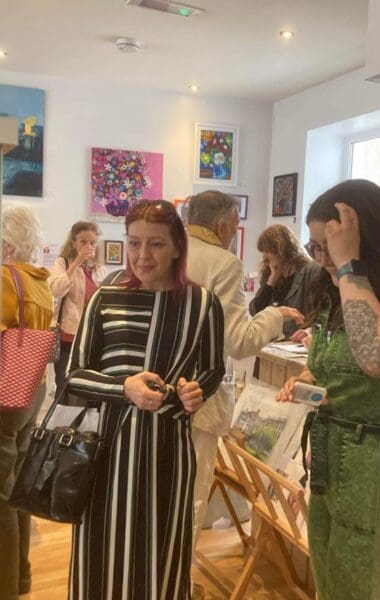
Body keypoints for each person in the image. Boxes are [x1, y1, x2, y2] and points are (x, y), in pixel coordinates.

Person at [277, 179, 380, 599]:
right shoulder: (336, 294)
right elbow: (338, 367)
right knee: (334, 586)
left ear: (363, 240)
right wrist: (310, 382)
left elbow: (377, 357)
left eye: (329, 247)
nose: (322, 259)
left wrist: (349, 266)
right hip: (335, 468)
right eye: (315, 247)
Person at [65, 200, 225, 599]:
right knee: (102, 552)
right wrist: (124, 388)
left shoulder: (202, 304)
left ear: (177, 247)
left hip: (168, 453)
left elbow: (212, 369)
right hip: (107, 453)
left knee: (161, 554)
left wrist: (196, 390)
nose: (142, 255)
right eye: (134, 242)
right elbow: (75, 374)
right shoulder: (105, 298)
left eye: (155, 244)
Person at [185, 190, 303, 544]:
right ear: (222, 225)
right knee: (191, 497)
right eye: (236, 225)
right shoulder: (222, 263)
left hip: (158, 395)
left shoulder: (170, 251)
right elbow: (237, 341)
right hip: (199, 396)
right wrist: (275, 316)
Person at [0, 205, 53, 599]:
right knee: (15, 488)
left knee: (0, 497)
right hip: (29, 390)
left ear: (7, 244)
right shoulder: (39, 281)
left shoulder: (5, 278)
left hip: (4, 394)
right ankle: (19, 578)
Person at [48, 221, 106, 394]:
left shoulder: (99, 268)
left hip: (91, 335)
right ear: (73, 242)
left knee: (88, 386)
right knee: (64, 385)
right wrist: (77, 262)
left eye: (92, 242)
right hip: (68, 334)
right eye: (83, 241)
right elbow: (56, 290)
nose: (88, 246)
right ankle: (61, 412)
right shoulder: (63, 263)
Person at [249, 224, 320, 338]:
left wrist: (309, 331)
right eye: (263, 252)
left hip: (297, 342)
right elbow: (255, 311)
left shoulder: (311, 271)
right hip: (272, 343)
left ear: (281, 249)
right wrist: (272, 279)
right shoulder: (270, 273)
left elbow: (320, 313)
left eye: (267, 251)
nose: (265, 257)